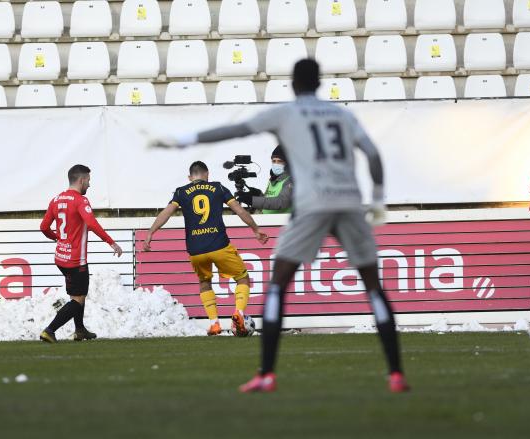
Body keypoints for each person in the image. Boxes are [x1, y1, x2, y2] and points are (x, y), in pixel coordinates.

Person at [150, 59, 409, 393]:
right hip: (349, 201)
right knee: (373, 286)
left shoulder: (286, 113)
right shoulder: (342, 115)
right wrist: (376, 200)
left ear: (294, 84)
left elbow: (234, 130)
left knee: (278, 284)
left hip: (312, 204)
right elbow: (373, 155)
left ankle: (267, 373)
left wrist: (182, 140)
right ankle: (396, 374)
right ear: (319, 82)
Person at [143, 161, 269, 336]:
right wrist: (255, 229)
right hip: (219, 245)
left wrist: (151, 232)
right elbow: (239, 210)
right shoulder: (218, 188)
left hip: (196, 250)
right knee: (242, 278)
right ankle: (238, 313)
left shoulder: (181, 191)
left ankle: (214, 323)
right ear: (207, 174)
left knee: (204, 282)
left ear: (190, 177)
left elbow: (166, 212)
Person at [39, 164, 123, 343]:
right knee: (77, 300)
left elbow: (44, 227)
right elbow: (91, 224)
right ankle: (50, 330)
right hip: (76, 260)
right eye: (89, 181)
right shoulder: (80, 201)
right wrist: (111, 242)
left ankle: (79, 330)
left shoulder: (55, 200)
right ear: (82, 180)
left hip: (61, 258)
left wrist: (57, 237)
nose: (90, 185)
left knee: (77, 295)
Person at [236, 145, 293, 214]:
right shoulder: (274, 178)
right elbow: (269, 200)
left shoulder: (291, 180)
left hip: (282, 223)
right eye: (274, 161)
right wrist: (258, 194)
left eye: (279, 161)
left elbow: (281, 202)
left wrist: (252, 200)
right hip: (268, 220)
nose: (276, 164)